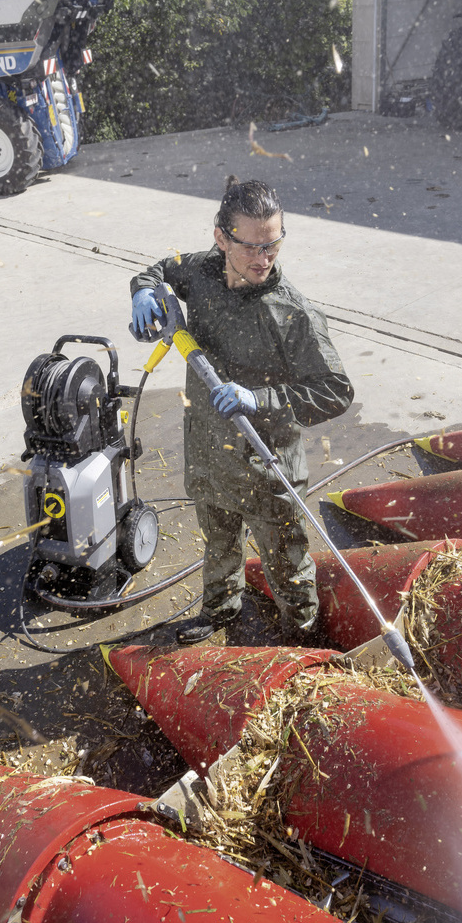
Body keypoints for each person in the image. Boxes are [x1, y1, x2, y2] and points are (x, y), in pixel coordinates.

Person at [129, 176, 353, 644]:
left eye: (272, 245)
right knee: (218, 544)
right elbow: (159, 269)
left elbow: (336, 390)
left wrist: (260, 399)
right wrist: (143, 289)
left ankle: (304, 634)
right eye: (250, 247)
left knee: (287, 560)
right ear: (220, 238)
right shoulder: (203, 271)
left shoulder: (292, 314)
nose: (262, 259)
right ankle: (220, 611)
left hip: (266, 464)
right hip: (210, 451)